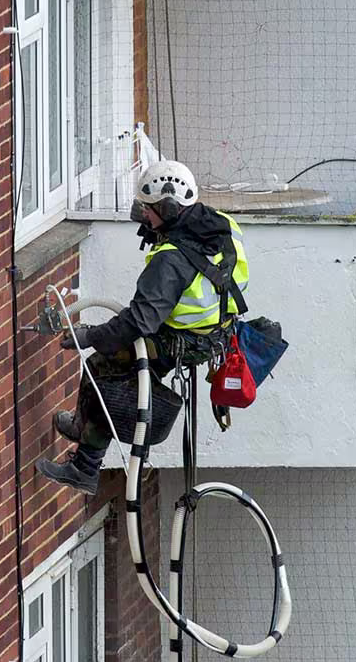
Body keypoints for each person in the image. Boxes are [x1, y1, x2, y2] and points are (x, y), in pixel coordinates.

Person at [35, 159, 249, 495]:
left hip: (182, 341)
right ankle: (82, 425)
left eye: (149, 210)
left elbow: (138, 321)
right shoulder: (219, 226)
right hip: (215, 332)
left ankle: (84, 467)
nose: (144, 217)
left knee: (103, 366)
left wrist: (89, 336)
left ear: (167, 206)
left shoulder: (170, 260)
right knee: (108, 358)